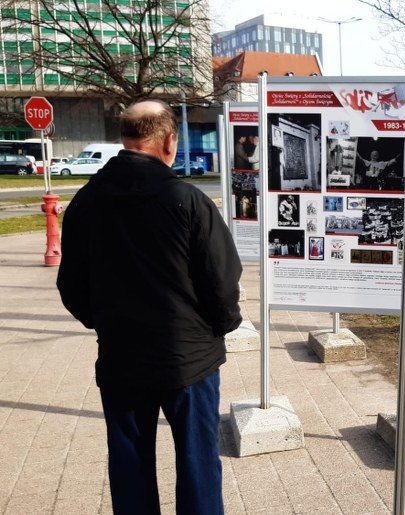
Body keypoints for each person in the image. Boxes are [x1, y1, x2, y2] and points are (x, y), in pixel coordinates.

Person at [57, 99, 242, 515]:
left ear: (124, 138)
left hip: (121, 357)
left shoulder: (85, 203)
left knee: (130, 466)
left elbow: (71, 286)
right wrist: (220, 326)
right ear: (169, 142)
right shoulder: (188, 200)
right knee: (198, 464)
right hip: (188, 360)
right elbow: (222, 281)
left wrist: (105, 321)